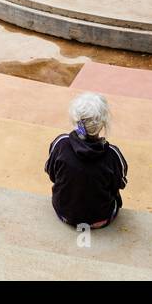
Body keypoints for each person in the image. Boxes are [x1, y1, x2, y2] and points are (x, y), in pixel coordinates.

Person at [45, 92, 127, 230]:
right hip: (101, 218)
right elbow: (120, 184)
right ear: (103, 124)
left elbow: (51, 174)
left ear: (76, 120)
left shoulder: (60, 144)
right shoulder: (113, 154)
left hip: (65, 214)